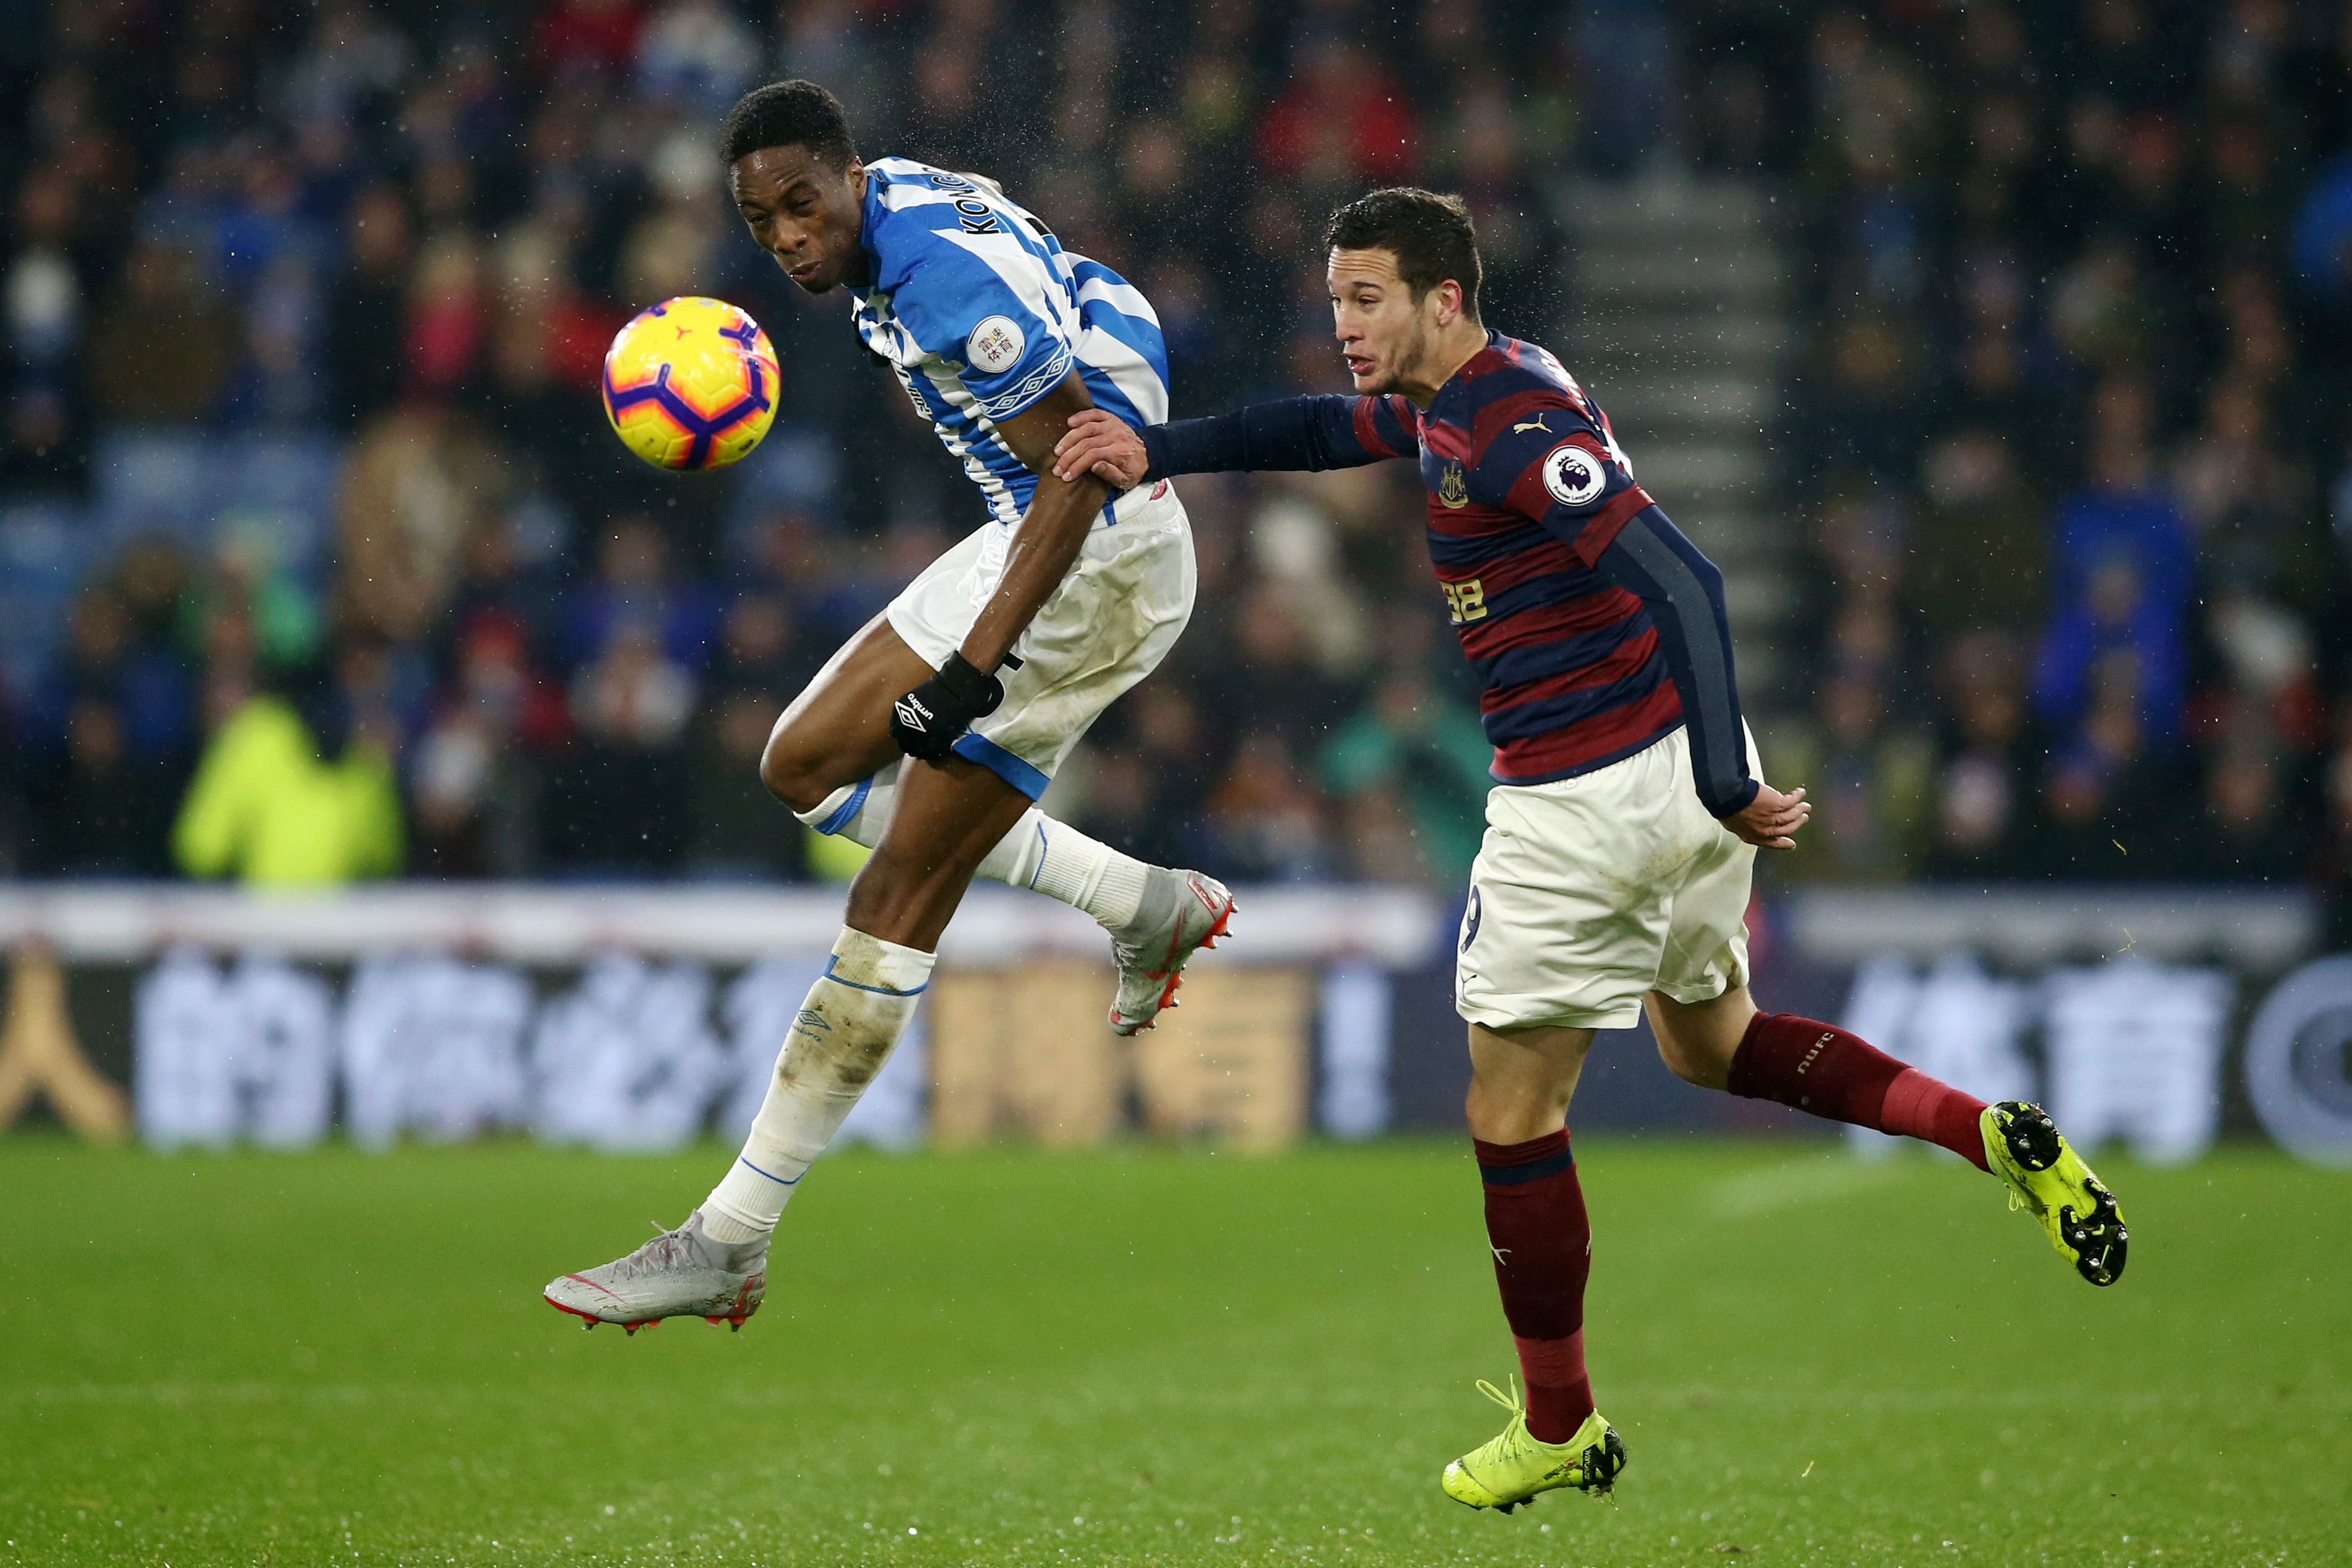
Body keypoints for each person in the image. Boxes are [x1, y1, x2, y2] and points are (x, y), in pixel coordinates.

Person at [1051, 187, 2128, 1516]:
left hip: (1587, 794)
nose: (1341, 322)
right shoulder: (1472, 392)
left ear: (1442, 298)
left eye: (1366, 296)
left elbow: (1686, 577)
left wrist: (1733, 782)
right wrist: (1157, 447)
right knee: (1711, 1041)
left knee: (1508, 1110)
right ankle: (1983, 1132)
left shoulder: (1506, 421)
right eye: (1334, 297)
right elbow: (1325, 431)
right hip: (1670, 756)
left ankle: (1560, 1423)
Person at [545, 80, 1234, 1333]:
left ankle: (730, 1236)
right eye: (764, 227)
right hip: (1053, 536)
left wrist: (975, 665)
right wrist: (1136, 401)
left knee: (897, 888)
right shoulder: (909, 199)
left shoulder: (934, 286)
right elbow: (1102, 297)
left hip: (1090, 560)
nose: (792, 239)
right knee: (802, 765)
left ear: (847, 175)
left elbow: (1078, 471)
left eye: (804, 206)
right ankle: (1141, 902)